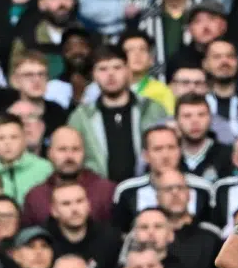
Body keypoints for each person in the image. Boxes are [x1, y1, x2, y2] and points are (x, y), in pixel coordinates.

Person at [67, 44, 169, 182]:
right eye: (102, 69)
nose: (110, 74)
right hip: (99, 196)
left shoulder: (153, 108)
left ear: (128, 70)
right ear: (94, 75)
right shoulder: (80, 117)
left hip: (146, 191)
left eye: (117, 67)